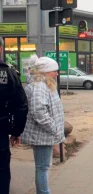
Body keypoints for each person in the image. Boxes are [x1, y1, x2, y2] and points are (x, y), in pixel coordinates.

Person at [21, 54, 65, 194]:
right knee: (42, 167)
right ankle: (43, 192)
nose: (57, 74)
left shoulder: (45, 85)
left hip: (44, 135)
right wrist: (55, 129)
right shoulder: (40, 86)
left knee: (44, 166)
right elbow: (39, 112)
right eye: (55, 71)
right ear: (46, 72)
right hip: (42, 135)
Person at [0, 37, 28, 194]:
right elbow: (21, 107)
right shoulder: (8, 74)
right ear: (1, 49)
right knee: (2, 172)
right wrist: (16, 132)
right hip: (1, 133)